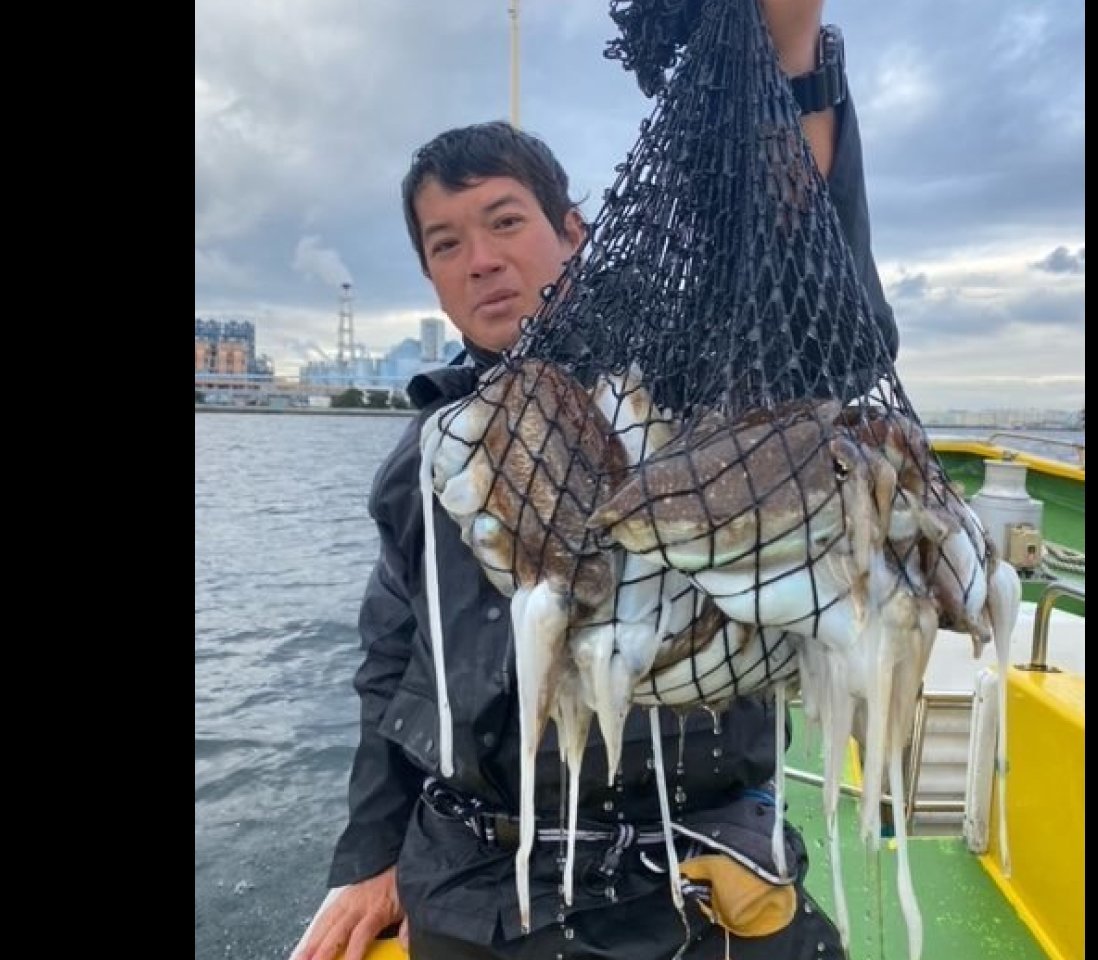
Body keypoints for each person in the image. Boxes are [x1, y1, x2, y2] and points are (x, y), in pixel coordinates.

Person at [298, 2, 898, 958]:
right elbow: (389, 667)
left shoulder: (694, 378)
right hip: (476, 882)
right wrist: (369, 853)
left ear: (574, 231)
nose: (482, 260)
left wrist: (791, 59)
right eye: (445, 244)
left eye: (505, 221)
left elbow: (809, 289)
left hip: (698, 869)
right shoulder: (423, 458)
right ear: (431, 278)